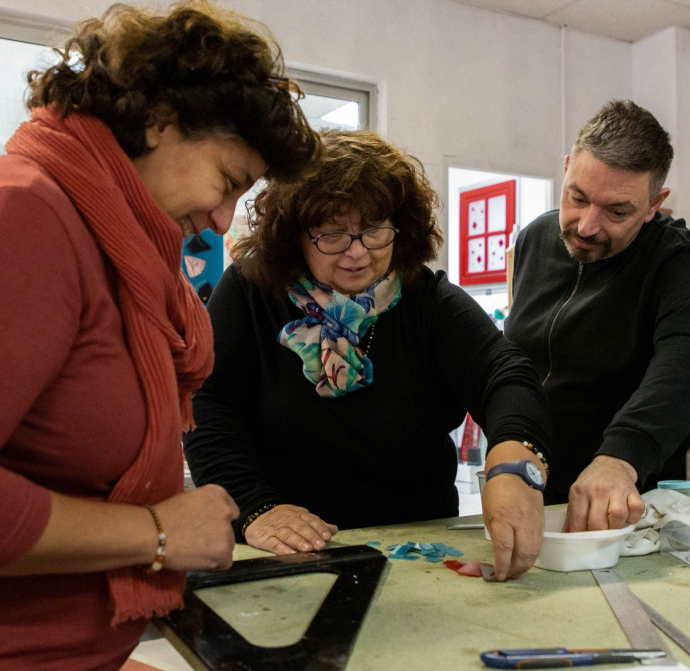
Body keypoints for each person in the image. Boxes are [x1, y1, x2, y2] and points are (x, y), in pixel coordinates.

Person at [0, 0, 320, 670]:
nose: (224, 220)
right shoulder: (18, 217)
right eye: (227, 181)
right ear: (161, 121)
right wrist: (156, 534)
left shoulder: (110, 248)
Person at [184, 130, 553, 580]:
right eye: (332, 234)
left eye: (374, 230)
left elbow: (506, 375)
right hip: (284, 551)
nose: (357, 253)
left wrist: (514, 466)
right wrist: (255, 508)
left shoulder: (426, 299)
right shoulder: (250, 294)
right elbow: (206, 402)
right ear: (295, 235)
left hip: (416, 550)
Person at [504, 100, 690, 534]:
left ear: (654, 204)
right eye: (577, 197)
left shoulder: (682, 259)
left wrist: (620, 458)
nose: (587, 226)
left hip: (636, 498)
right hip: (540, 488)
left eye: (617, 211)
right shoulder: (535, 239)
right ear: (568, 166)